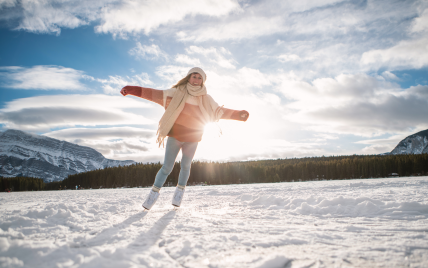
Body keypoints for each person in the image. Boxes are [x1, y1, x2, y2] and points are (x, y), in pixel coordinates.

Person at [120, 67, 249, 210]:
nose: (196, 80)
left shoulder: (206, 98)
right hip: (175, 136)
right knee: (167, 167)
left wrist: (238, 115)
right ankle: (153, 194)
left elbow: (218, 111)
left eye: (200, 78)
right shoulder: (177, 92)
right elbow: (155, 94)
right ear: (188, 77)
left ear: (203, 81)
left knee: (186, 166)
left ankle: (179, 193)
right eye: (194, 76)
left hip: (193, 137)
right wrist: (132, 90)